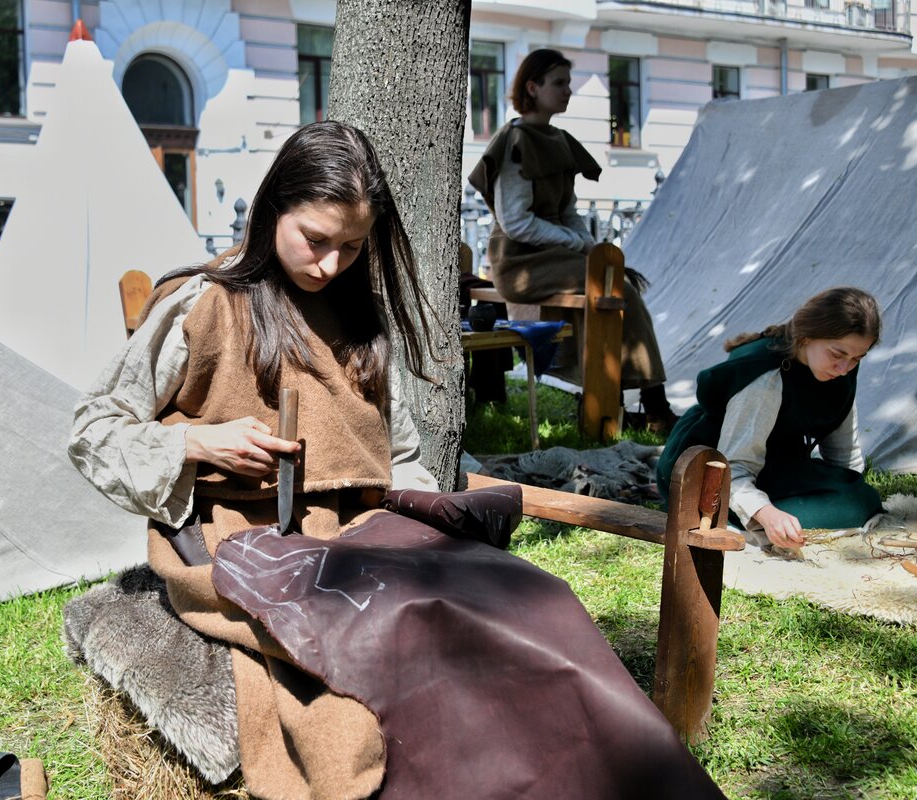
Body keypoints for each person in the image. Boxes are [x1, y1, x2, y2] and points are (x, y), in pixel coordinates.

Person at [69, 121, 724, 799]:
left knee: (539, 604)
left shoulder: (363, 324)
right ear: (273, 213)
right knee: (408, 640)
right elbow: (93, 432)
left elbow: (403, 458)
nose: (329, 265)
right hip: (243, 542)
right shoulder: (201, 307)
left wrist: (414, 531)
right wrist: (195, 443)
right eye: (315, 240)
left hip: (361, 532)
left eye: (351, 247)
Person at [468, 48, 679, 431]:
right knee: (614, 287)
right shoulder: (515, 141)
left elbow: (567, 210)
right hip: (520, 261)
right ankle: (652, 405)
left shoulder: (560, 139)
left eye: (569, 83)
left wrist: (588, 244)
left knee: (615, 283)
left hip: (555, 256)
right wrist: (574, 243)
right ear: (532, 87)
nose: (568, 91)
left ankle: (613, 400)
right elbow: (515, 221)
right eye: (559, 83)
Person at [656, 286, 884, 549]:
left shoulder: (838, 371)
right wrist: (766, 514)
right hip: (709, 461)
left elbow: (843, 456)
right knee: (826, 513)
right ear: (807, 337)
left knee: (858, 500)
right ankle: (736, 515)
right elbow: (733, 467)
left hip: (774, 457)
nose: (845, 368)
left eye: (857, 358)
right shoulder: (766, 380)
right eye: (838, 354)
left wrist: (846, 485)